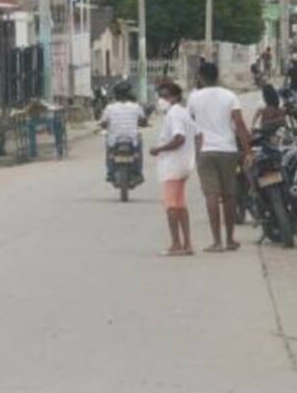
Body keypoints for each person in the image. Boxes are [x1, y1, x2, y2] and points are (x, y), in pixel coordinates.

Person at [188, 61, 252, 253]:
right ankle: (230, 239)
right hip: (228, 149)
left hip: (206, 151)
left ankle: (216, 242)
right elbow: (239, 124)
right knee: (230, 195)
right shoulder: (230, 96)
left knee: (211, 196)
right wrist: (248, 150)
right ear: (218, 76)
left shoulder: (194, 98)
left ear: (200, 77)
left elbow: (189, 124)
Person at [149, 80, 195, 257]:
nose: (162, 99)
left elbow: (179, 138)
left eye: (164, 96)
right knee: (181, 205)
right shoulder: (183, 112)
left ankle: (176, 243)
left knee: (171, 206)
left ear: (174, 96)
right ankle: (187, 243)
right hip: (183, 164)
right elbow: (197, 134)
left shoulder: (174, 114)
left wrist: (158, 149)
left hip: (173, 166)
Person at [99, 81, 146, 182]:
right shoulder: (136, 106)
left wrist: (103, 126)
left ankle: (110, 172)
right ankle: (138, 173)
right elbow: (142, 121)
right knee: (137, 152)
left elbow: (103, 123)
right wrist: (142, 123)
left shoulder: (109, 107)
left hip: (114, 139)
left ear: (115, 94)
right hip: (132, 139)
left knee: (110, 152)